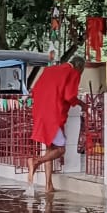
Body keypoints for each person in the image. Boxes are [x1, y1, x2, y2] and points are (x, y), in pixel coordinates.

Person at [27, 55, 84, 191]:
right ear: (80, 67)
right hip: (54, 115)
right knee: (60, 150)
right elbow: (69, 96)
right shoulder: (73, 72)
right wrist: (82, 104)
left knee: (49, 149)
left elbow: (34, 91)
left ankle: (48, 185)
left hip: (40, 112)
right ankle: (35, 161)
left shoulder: (49, 70)